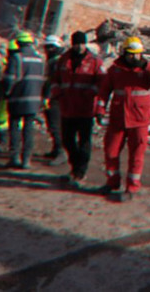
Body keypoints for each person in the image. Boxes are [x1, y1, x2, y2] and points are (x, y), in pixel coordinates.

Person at [97, 36, 150, 201]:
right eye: (130, 54)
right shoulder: (115, 70)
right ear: (124, 53)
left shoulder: (146, 69)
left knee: (136, 155)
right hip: (118, 119)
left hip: (139, 120)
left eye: (137, 54)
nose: (133, 57)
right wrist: (100, 109)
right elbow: (104, 91)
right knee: (110, 151)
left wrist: (147, 66)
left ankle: (132, 188)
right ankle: (112, 182)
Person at [50, 31, 105, 185]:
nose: (79, 47)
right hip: (67, 107)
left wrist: (91, 94)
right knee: (67, 140)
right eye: (76, 43)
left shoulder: (94, 61)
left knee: (84, 142)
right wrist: (57, 93)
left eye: (81, 43)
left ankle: (80, 173)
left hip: (85, 109)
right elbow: (55, 79)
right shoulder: (64, 60)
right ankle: (75, 168)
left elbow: (102, 83)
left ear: (85, 44)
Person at [3, 31, 45, 169]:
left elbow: (9, 79)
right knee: (28, 130)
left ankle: (14, 157)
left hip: (18, 99)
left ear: (18, 43)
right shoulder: (40, 59)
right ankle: (26, 160)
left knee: (14, 127)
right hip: (34, 101)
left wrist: (6, 93)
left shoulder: (17, 58)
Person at [41, 34, 67, 165]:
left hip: (55, 97)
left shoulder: (56, 61)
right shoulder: (59, 60)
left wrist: (47, 96)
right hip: (57, 96)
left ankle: (61, 151)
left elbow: (52, 81)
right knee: (53, 124)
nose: (46, 50)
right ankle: (56, 149)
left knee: (55, 125)